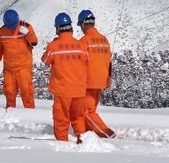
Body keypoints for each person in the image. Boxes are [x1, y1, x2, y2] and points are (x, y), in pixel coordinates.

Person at [40, 12, 89, 142]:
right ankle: (83, 141)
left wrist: (52, 45)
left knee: (61, 118)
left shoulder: (53, 46)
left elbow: (45, 61)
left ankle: (62, 144)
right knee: (78, 117)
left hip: (62, 91)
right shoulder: (82, 46)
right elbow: (87, 61)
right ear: (71, 28)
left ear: (57, 29)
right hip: (79, 90)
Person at [77, 9, 116, 139]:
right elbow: (109, 62)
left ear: (83, 23)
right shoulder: (104, 40)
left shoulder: (84, 41)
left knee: (87, 112)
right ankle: (89, 135)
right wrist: (108, 79)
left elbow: (79, 63)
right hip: (101, 81)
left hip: (87, 83)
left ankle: (106, 133)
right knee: (90, 111)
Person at [0, 9, 38, 109]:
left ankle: (31, 115)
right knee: (9, 92)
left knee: (27, 92)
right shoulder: (2, 31)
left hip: (24, 67)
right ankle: (10, 114)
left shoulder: (26, 27)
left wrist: (28, 33)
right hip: (9, 68)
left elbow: (34, 42)